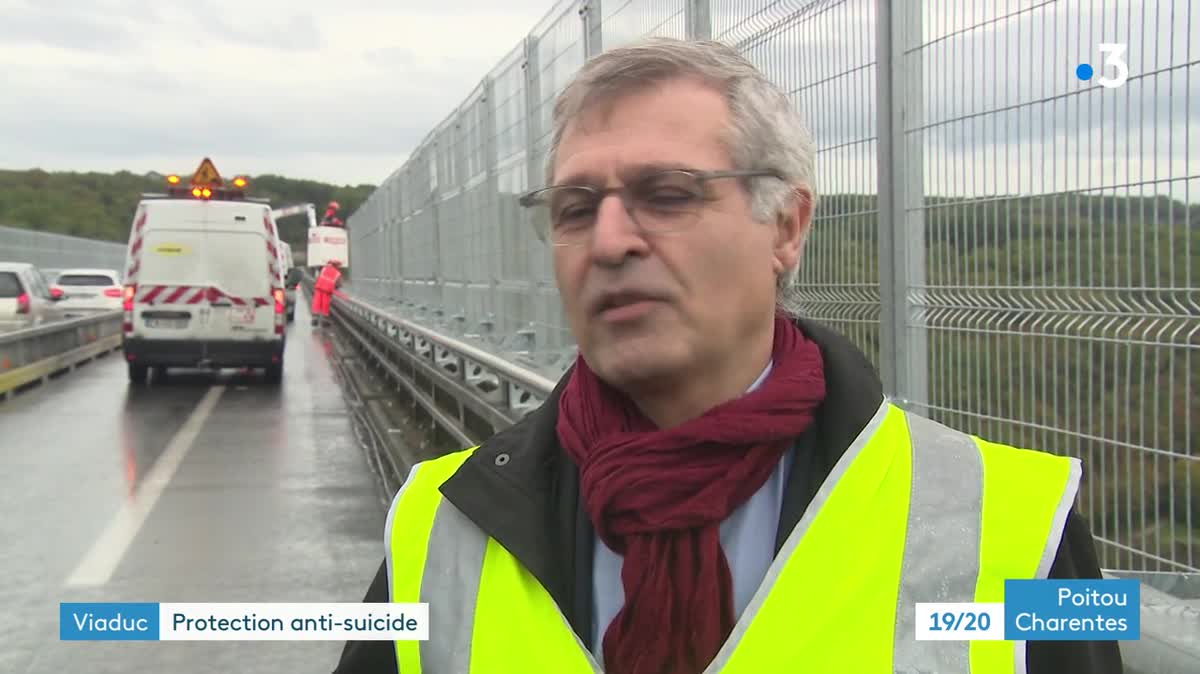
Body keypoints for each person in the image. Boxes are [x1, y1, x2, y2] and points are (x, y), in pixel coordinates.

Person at [333, 38, 1122, 674]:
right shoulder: (442, 529)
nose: (609, 241)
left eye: (668, 194)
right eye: (577, 208)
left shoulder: (1014, 527)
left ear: (785, 226)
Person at [311, 260, 341, 326]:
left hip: (319, 288)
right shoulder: (337, 273)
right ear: (337, 266)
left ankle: (315, 320)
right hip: (327, 290)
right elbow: (338, 284)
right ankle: (324, 322)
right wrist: (335, 287)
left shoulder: (324, 269)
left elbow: (318, 277)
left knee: (317, 303)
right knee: (325, 305)